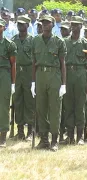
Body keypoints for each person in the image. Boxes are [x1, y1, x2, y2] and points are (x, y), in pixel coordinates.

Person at [31, 15, 67, 151]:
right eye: (43, 23)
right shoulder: (35, 41)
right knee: (41, 108)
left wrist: (63, 84)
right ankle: (44, 139)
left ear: (53, 25)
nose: (45, 25)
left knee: (55, 109)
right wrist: (33, 82)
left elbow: (63, 63)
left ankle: (54, 140)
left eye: (48, 23)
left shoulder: (59, 42)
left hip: (54, 75)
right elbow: (33, 62)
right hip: (40, 75)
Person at [62, 16, 87, 145]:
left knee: (80, 106)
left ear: (81, 26)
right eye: (72, 24)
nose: (74, 27)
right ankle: (70, 135)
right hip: (68, 73)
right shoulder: (64, 42)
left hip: (81, 74)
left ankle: (80, 136)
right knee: (68, 105)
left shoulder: (86, 43)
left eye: (76, 25)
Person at [12, 15, 34, 141]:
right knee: (18, 101)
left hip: (28, 72)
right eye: (18, 24)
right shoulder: (13, 40)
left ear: (27, 25)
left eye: (22, 24)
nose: (20, 26)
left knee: (29, 101)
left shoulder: (33, 40)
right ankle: (20, 131)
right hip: (17, 72)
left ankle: (30, 131)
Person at [0, 18, 17, 148]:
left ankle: (3, 137)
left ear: (3, 28)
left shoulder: (9, 44)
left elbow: (13, 64)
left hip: (3, 74)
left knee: (4, 106)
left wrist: (12, 83)